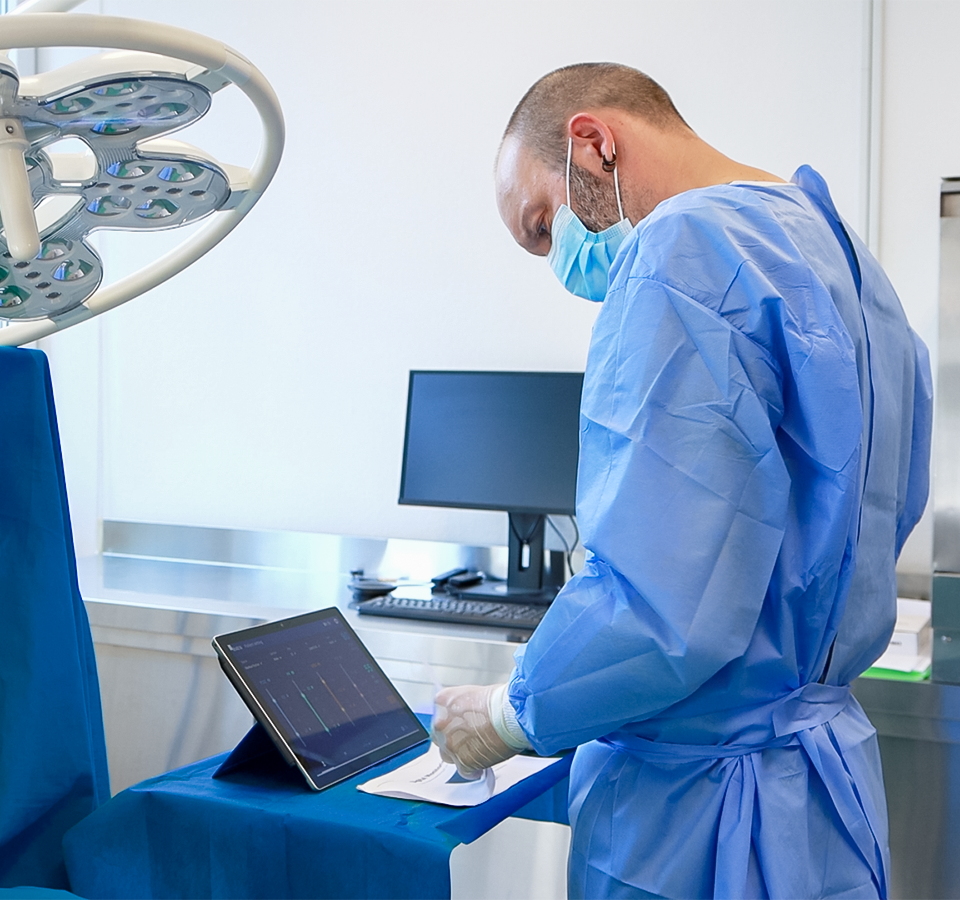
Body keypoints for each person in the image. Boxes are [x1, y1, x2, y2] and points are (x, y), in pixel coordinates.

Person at [430, 63, 933, 900]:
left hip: (705, 819)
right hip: (824, 800)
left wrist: (506, 714)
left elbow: (659, 605)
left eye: (542, 226)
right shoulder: (848, 264)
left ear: (592, 145)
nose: (557, 261)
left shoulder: (681, 255)